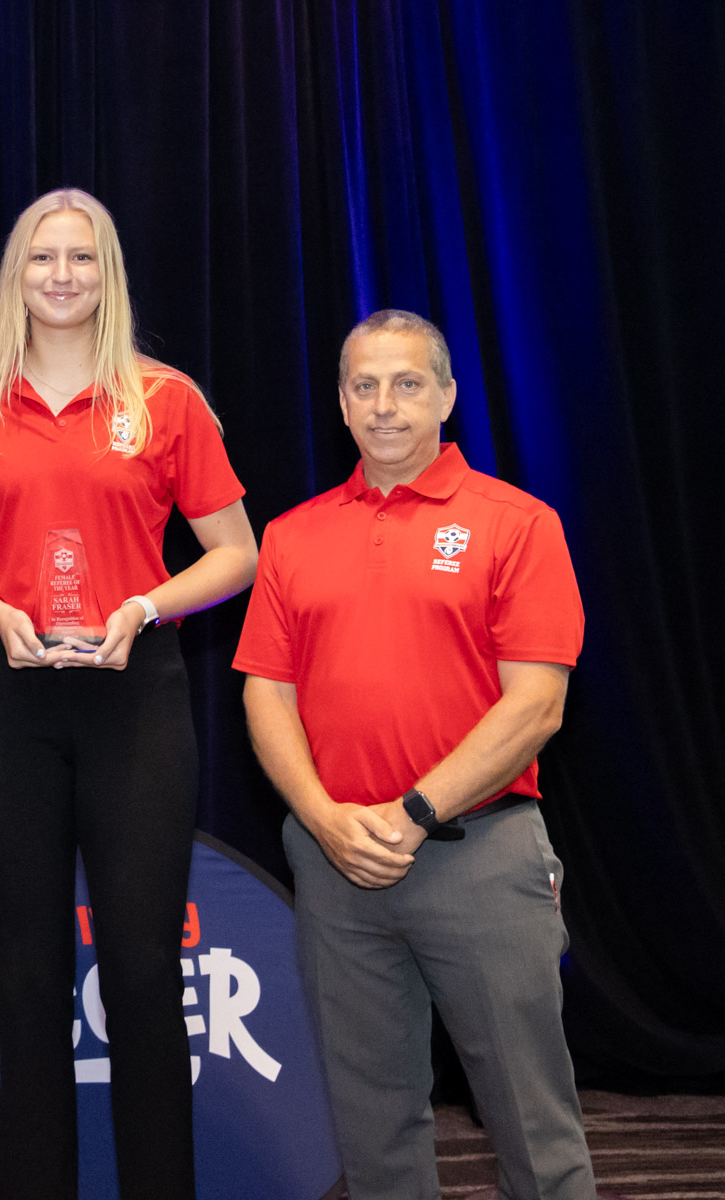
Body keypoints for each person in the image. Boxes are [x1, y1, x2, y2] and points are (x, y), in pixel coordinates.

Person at [0, 188, 258, 1198]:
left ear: (110, 276)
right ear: (14, 276)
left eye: (82, 259)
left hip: (135, 695)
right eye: (40, 259)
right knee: (25, 974)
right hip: (11, 697)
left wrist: (145, 608)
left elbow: (237, 552)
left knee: (146, 969)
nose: (61, 277)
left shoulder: (167, 400)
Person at [235, 309, 596, 1198]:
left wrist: (414, 813)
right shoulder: (293, 535)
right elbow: (264, 692)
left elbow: (537, 706)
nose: (386, 405)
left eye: (407, 383)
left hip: (479, 858)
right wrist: (323, 819)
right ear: (343, 404)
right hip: (335, 863)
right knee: (373, 1128)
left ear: (447, 395)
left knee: (531, 1120)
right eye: (365, 386)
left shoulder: (517, 523)